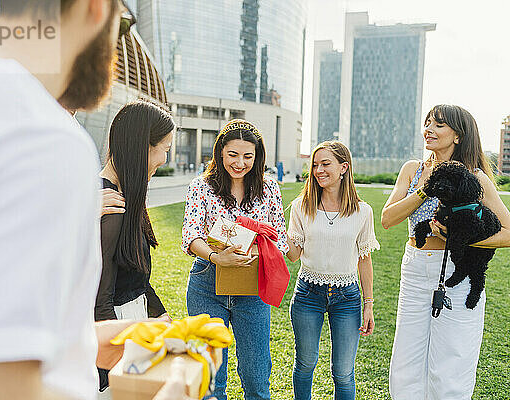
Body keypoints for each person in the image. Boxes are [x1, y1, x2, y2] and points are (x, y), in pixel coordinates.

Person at [0, 0, 190, 398]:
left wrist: (83, 342)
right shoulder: (42, 137)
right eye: (121, 26)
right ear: (95, 8)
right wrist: (171, 390)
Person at [382, 104, 510, 399]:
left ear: (458, 135)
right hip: (414, 268)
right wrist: (426, 188)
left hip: (456, 270)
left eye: (438, 125)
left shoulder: (473, 177)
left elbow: (507, 232)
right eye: (427, 122)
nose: (428, 129)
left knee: (451, 365)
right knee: (406, 362)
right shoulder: (412, 169)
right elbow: (388, 219)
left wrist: (460, 239)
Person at [181, 119, 289, 400]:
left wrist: (256, 250)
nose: (240, 163)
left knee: (256, 375)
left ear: (257, 157)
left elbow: (280, 236)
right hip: (207, 283)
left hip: (252, 288)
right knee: (211, 377)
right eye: (232, 155)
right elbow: (191, 236)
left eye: (248, 156)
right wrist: (217, 257)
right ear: (220, 153)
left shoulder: (269, 189)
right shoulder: (201, 187)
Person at [286, 141, 378, 400]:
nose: (318, 170)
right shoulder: (301, 207)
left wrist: (368, 304)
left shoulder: (362, 212)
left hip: (347, 298)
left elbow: (364, 259)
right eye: (315, 165)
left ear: (343, 168)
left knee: (343, 373)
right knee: (305, 364)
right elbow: (294, 256)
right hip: (307, 294)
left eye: (325, 164)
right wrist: (282, 238)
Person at [96, 100, 174, 396]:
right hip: (115, 332)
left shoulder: (126, 194)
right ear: (143, 146)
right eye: (164, 148)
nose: (164, 159)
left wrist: (159, 314)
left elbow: (135, 273)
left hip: (133, 324)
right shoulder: (109, 203)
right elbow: (100, 297)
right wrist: (114, 369)